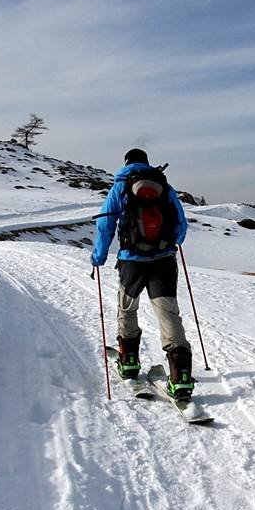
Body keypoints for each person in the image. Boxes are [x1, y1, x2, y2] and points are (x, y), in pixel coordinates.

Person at [91, 148, 195, 400]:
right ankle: (180, 377)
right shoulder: (164, 187)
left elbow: (105, 224)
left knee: (127, 309)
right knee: (168, 313)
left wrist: (99, 256)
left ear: (126, 163)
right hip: (163, 261)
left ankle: (128, 363)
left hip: (131, 262)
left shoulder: (120, 187)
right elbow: (181, 224)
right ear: (148, 164)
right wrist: (170, 244)